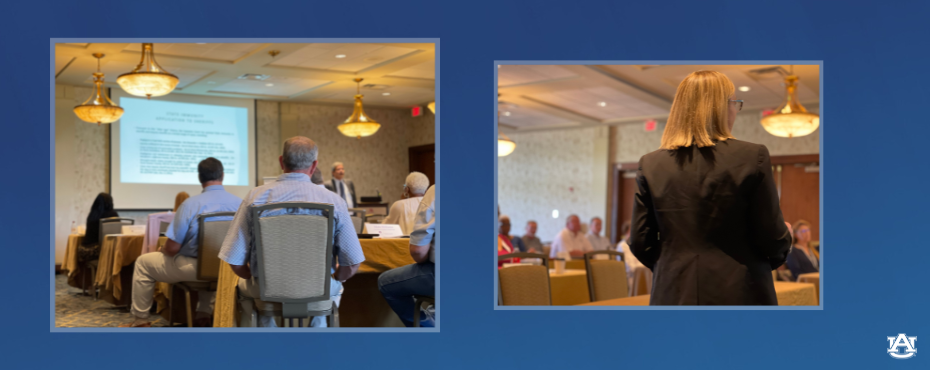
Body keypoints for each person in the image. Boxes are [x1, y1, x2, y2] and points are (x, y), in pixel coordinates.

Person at [630, 70, 792, 305]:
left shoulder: (650, 163)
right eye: (734, 103)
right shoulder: (752, 156)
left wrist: (672, 264)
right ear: (720, 107)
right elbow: (771, 238)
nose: (735, 110)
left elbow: (639, 241)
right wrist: (786, 236)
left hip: (672, 291)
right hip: (741, 291)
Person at [219, 137, 365, 327]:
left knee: (243, 290)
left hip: (264, 290)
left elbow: (235, 260)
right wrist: (336, 278)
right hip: (318, 289)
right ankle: (317, 331)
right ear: (314, 166)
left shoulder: (255, 197)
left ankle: (267, 332)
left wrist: (254, 277)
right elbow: (352, 263)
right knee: (335, 289)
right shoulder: (333, 201)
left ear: (281, 162)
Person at [121, 158, 242, 327]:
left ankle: (141, 320)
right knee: (214, 258)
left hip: (193, 269)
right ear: (223, 175)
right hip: (229, 268)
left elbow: (172, 248)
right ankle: (203, 314)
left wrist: (163, 248)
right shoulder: (239, 204)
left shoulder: (190, 205)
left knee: (143, 263)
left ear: (200, 178)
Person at [378, 184, 436, 327]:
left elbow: (418, 251)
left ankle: (429, 329)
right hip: (483, 276)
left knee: (385, 282)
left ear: (407, 189)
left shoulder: (436, 191)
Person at [78, 192, 119, 262]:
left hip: (83, 250)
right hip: (97, 250)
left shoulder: (92, 214)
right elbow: (117, 234)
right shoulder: (112, 214)